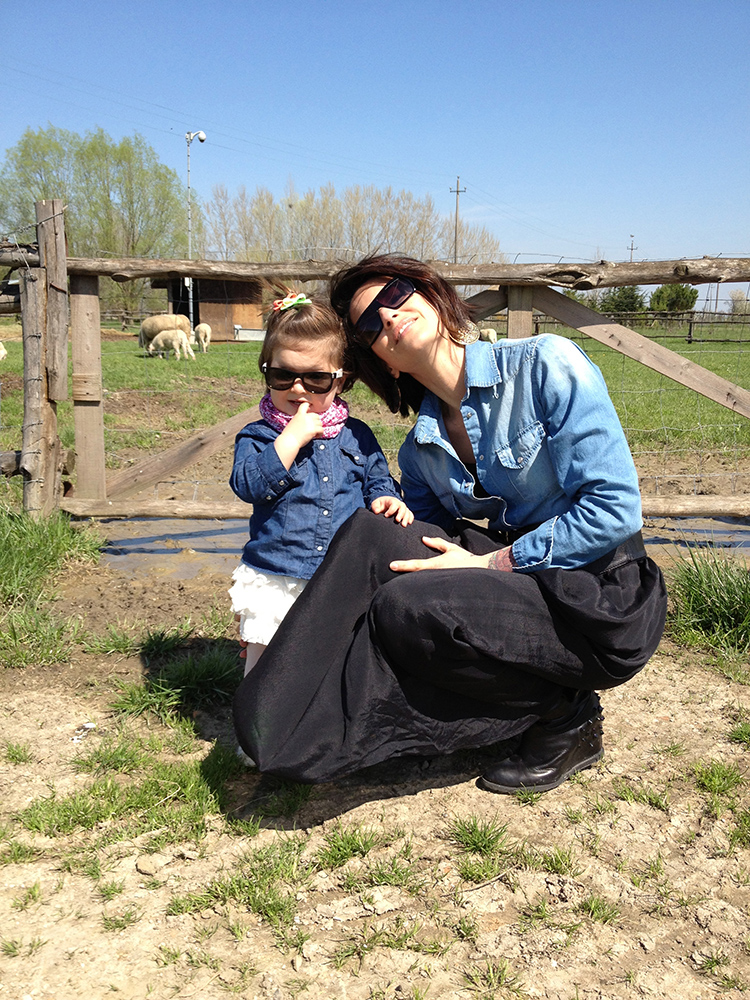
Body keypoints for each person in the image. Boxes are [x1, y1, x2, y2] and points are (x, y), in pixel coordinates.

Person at [232, 258, 667, 794]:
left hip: (598, 593)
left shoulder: (544, 363)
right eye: (370, 325)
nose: (388, 317)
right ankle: (282, 713)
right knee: (375, 536)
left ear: (432, 295)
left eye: (395, 293)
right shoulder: (420, 451)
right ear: (381, 361)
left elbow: (615, 509)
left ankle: (566, 716)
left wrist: (492, 563)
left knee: (408, 607)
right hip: (518, 593)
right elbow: (414, 547)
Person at [228, 291, 413, 680]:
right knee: (266, 651)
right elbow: (248, 485)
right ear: (266, 371)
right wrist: (288, 442)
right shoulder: (259, 437)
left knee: (332, 654)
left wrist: (386, 498)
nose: (298, 390)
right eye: (282, 376)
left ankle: (314, 725)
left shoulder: (356, 435)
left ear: (340, 380)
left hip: (338, 572)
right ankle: (257, 731)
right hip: (277, 571)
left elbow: (376, 477)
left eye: (315, 379)